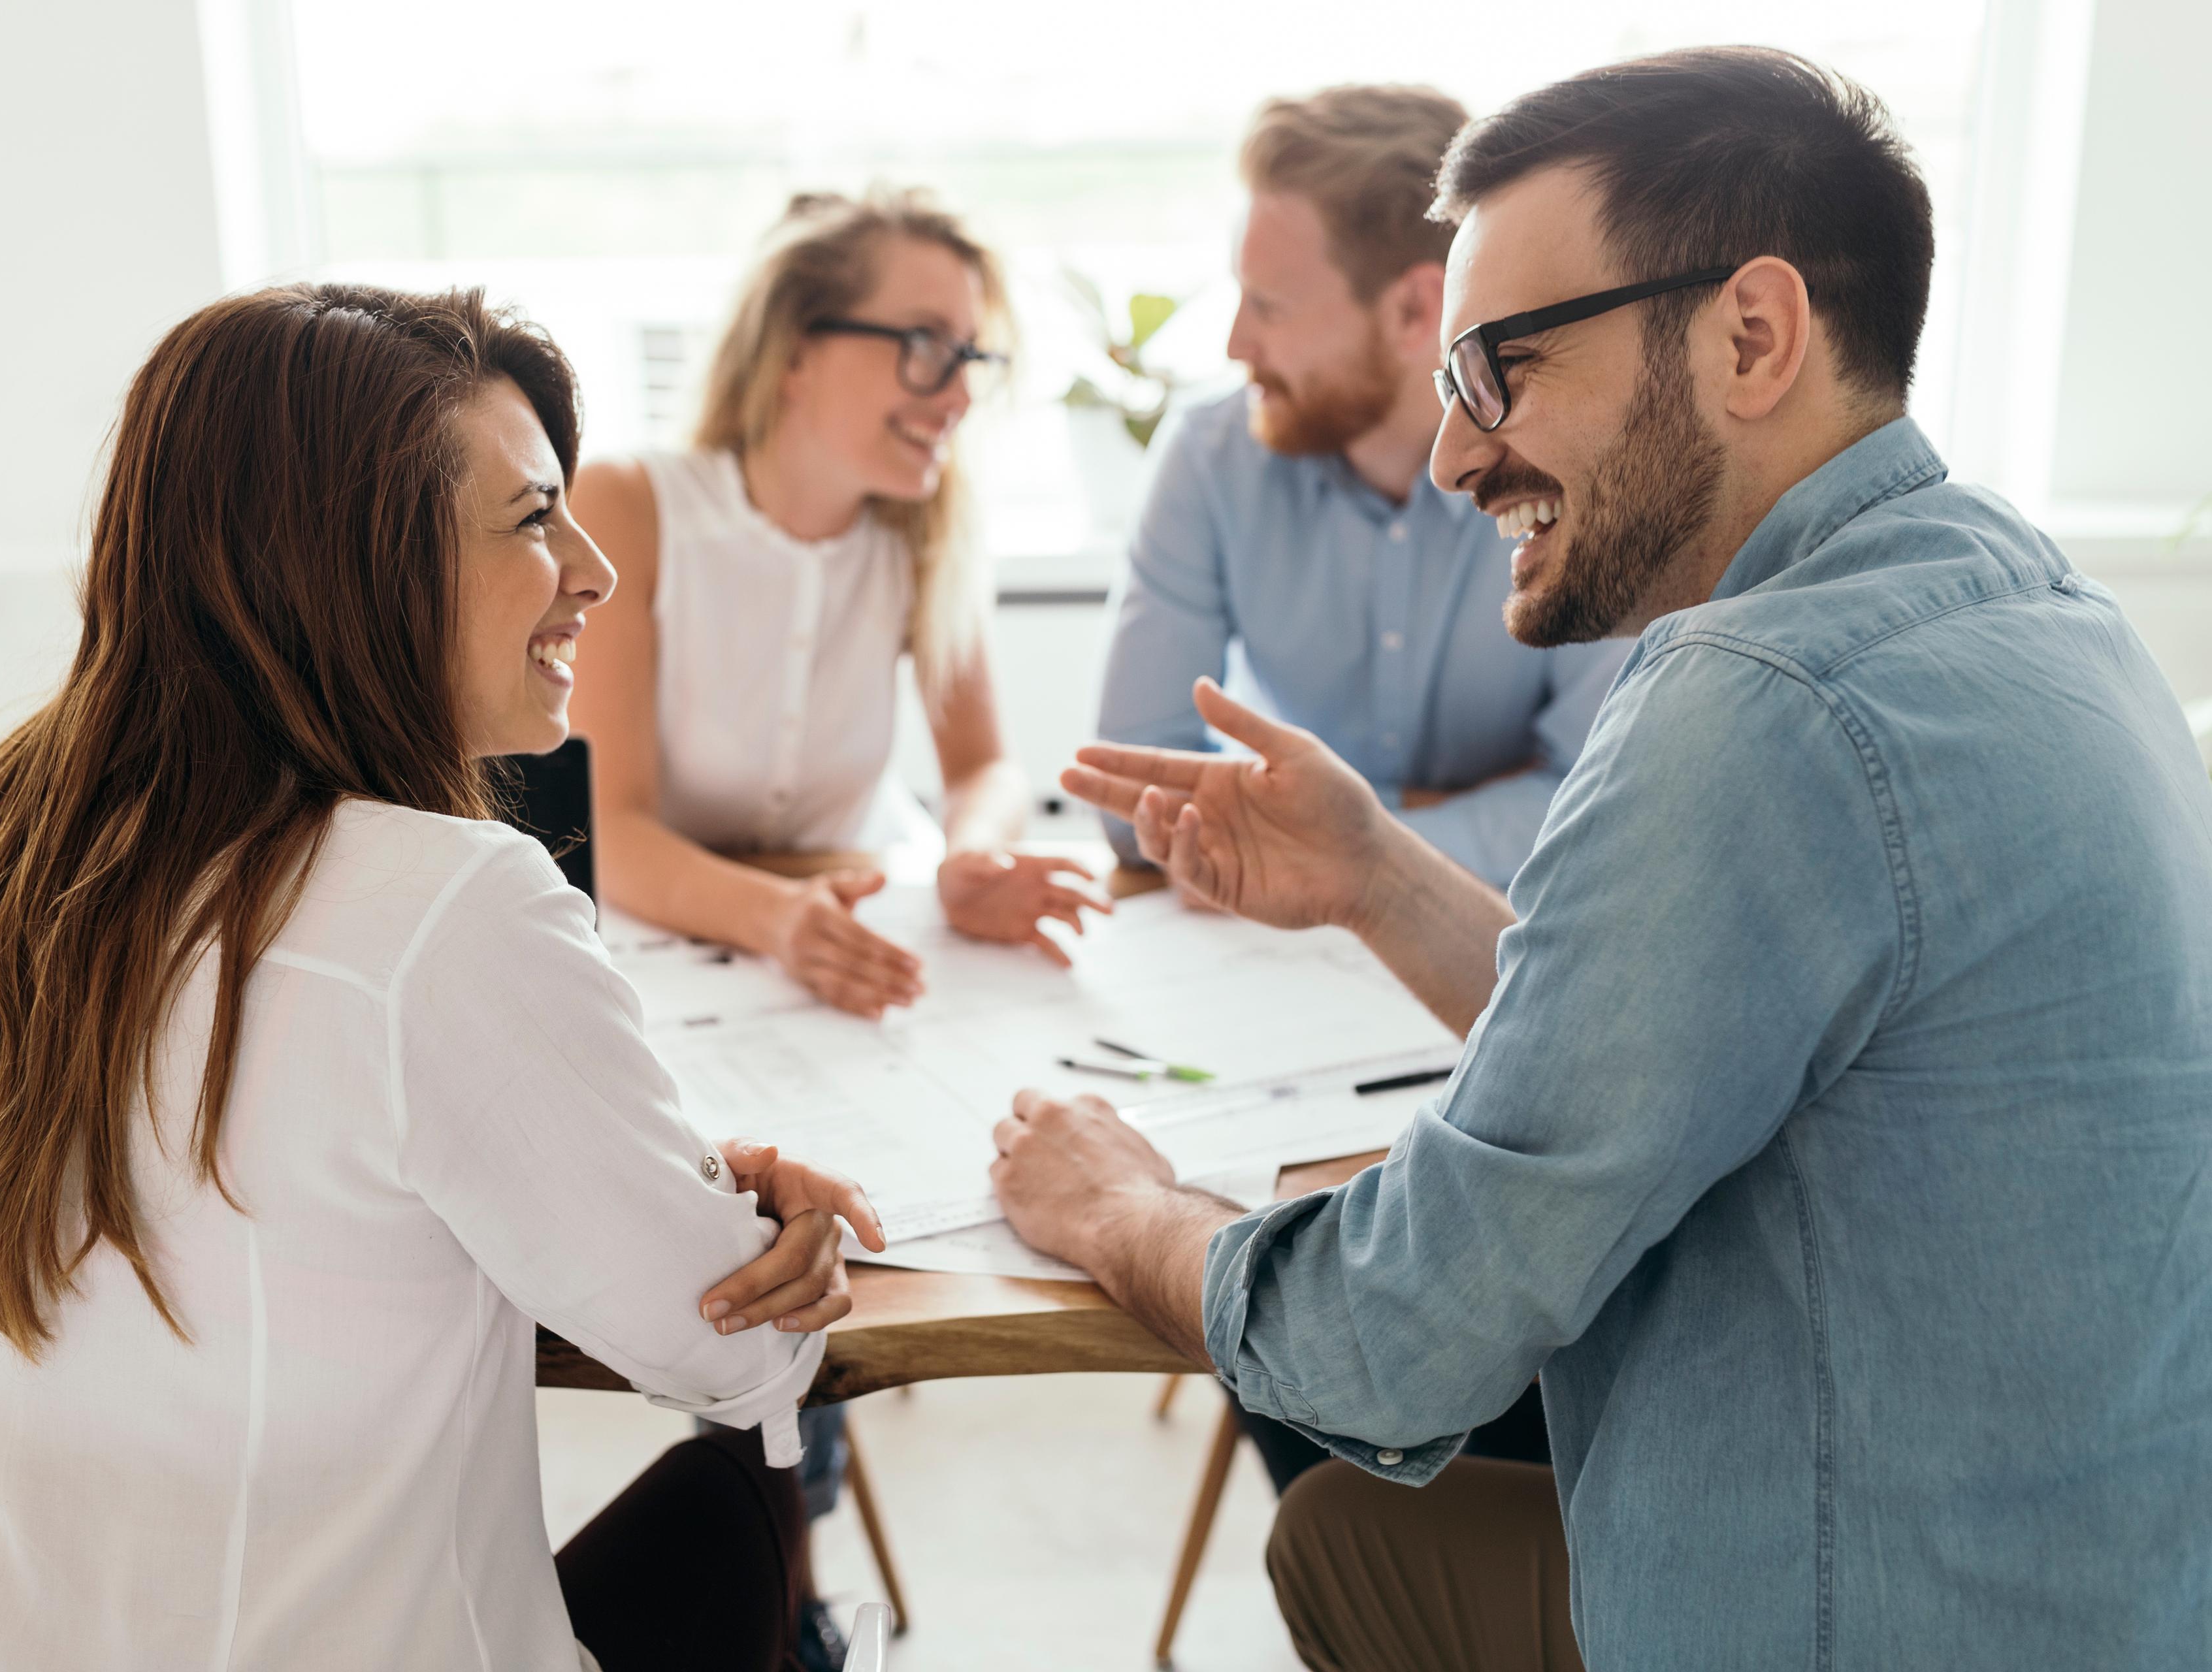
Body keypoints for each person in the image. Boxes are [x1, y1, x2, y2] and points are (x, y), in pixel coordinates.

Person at [997, 48, 2212, 1672]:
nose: (1452, 456)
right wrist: (1374, 866)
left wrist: (1124, 1206)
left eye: (1497, 368)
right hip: (2092, 1590)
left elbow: (1388, 1341)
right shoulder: (2031, 602)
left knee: (1345, 1515)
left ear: (1751, 335)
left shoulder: (1755, 704)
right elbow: (1676, 1021)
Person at [0, 283, 886, 1672]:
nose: (591, 569)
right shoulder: (447, 906)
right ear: (354, 564)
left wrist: (601, 1169)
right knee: (741, 1509)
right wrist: (737, 1207)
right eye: (535, 518)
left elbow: (278, 1185)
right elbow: (729, 1344)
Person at [573, 189, 1107, 1026]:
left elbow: (983, 769)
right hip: (664, 962)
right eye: (928, 345)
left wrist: (971, 857)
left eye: (972, 355)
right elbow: (608, 825)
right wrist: (779, 920)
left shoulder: (926, 532)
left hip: (851, 942)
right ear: (794, 350)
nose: (960, 393)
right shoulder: (625, 505)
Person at [1096, 86, 1629, 893]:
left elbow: (1599, 814)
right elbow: (1128, 798)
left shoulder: (1582, 467)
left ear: (1415, 310)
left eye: (1268, 306)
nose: (1236, 342)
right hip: (1274, 958)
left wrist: (1330, 833)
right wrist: (1443, 813)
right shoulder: (1209, 457)